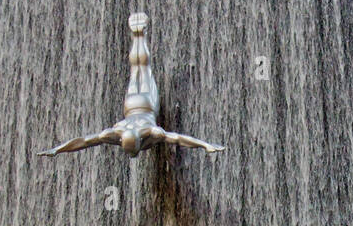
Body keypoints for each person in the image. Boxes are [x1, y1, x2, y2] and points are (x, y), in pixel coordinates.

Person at [39, 13, 225, 158]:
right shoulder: (149, 132)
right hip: (137, 106)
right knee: (139, 68)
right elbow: (178, 138)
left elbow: (84, 142)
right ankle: (138, 35)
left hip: (143, 105)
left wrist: (59, 149)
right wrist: (204, 145)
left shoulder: (122, 133)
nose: (131, 154)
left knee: (140, 68)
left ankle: (139, 35)